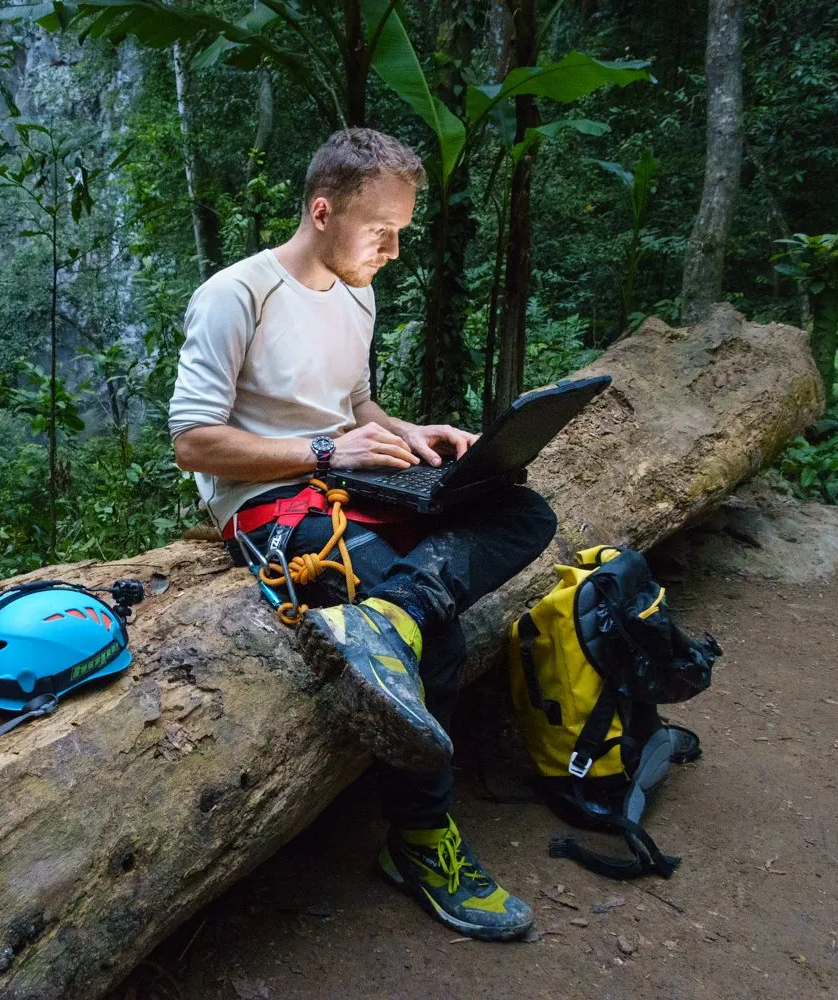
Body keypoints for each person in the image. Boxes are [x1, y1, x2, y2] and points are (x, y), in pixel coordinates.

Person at [167, 128, 557, 942]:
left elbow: (356, 406)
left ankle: (395, 613)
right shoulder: (235, 296)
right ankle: (419, 842)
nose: (393, 250)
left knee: (523, 509)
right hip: (270, 506)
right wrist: (323, 450)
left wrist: (410, 433)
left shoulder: (356, 289)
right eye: (381, 231)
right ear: (321, 211)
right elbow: (193, 443)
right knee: (439, 642)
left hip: (351, 480)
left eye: (402, 233)